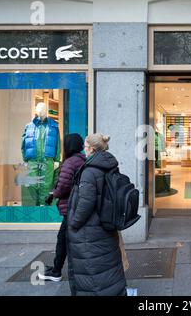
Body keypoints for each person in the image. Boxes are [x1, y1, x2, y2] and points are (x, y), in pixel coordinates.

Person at [66, 133, 126, 296]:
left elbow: (85, 203)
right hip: (105, 225)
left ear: (91, 149)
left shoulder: (89, 172)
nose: (83, 150)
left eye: (85, 147)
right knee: (108, 266)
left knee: (93, 270)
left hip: (89, 231)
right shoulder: (109, 165)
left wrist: (74, 224)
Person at [37, 133, 85, 282]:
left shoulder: (70, 163)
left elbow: (63, 186)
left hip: (70, 206)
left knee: (63, 240)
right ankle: (57, 268)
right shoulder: (82, 160)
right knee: (66, 239)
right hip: (77, 205)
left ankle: (56, 271)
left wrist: (53, 194)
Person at [21, 102, 61, 206]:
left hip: (48, 159)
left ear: (47, 109)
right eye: (38, 108)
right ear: (35, 110)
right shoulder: (29, 126)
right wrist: (25, 159)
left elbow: (57, 143)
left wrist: (56, 159)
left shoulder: (54, 125)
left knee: (46, 185)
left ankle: (44, 207)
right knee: (32, 183)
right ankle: (36, 206)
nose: (40, 110)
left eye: (43, 108)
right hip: (32, 159)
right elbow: (24, 144)